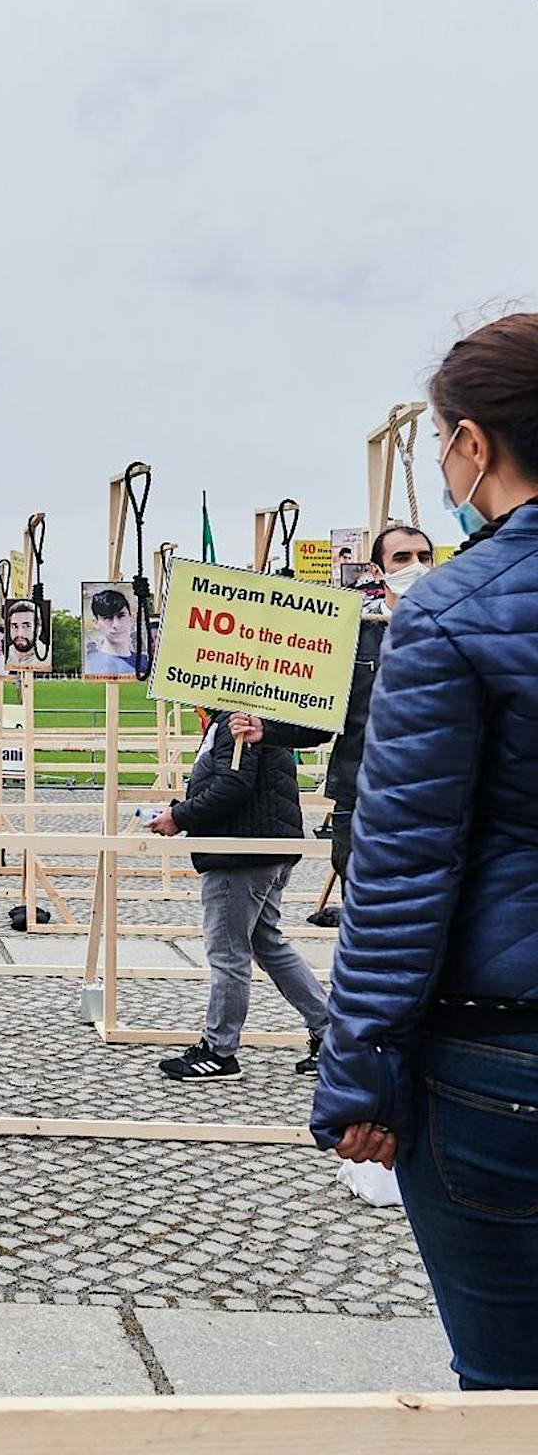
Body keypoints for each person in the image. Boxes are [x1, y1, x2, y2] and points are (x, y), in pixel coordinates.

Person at [313, 314, 538, 1391]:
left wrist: (359, 1076)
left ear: (473, 446)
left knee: (507, 1395)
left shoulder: (449, 611)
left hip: (500, 1055)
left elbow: (402, 868)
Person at [143, 710, 331, 1081]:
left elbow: (232, 786)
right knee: (268, 945)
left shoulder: (236, 718)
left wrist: (179, 817)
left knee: (229, 952)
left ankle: (219, 1051)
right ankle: (330, 1032)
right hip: (263, 848)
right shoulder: (250, 715)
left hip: (240, 854)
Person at [318, 525, 435, 906]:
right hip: (362, 801)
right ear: (376, 571)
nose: (415, 566)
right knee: (367, 913)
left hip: (436, 803)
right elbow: (318, 718)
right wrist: (264, 728)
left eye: (423, 557)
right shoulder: (351, 637)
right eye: (402, 558)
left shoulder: (457, 633)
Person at [83, 586, 138, 676]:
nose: (116, 624)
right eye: (108, 618)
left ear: (131, 618)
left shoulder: (145, 662)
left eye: (121, 616)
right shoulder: (89, 666)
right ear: (96, 623)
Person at [3, 599, 46, 668]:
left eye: (26, 626)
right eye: (14, 626)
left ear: (39, 628)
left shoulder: (47, 657)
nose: (20, 633)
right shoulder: (7, 652)